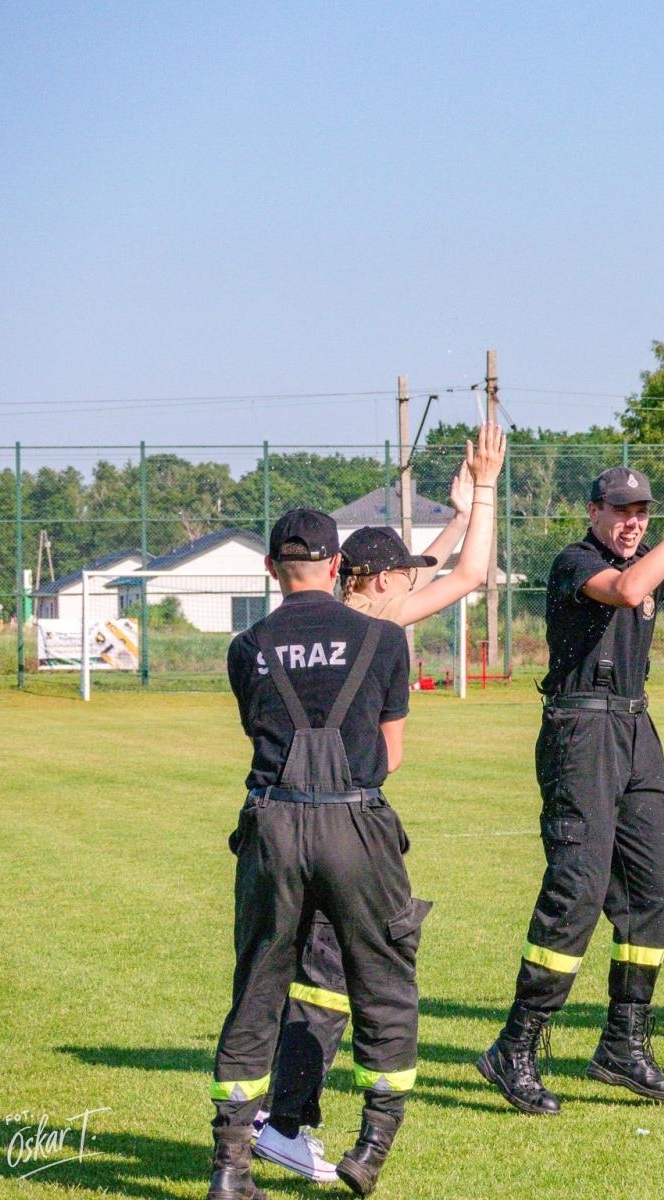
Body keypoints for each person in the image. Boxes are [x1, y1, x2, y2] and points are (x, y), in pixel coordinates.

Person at [252, 425, 506, 1183]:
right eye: (405, 576)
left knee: (313, 970)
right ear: (373, 579)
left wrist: (457, 514)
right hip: (348, 819)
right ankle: (288, 1119)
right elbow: (470, 576)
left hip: (295, 817)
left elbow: (440, 563)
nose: (416, 586)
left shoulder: (344, 611)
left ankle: (284, 1115)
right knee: (351, 972)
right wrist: (485, 493)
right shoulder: (375, 625)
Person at [478, 455, 664, 1114]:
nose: (634, 522)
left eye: (642, 512)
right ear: (594, 513)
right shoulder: (576, 564)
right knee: (576, 892)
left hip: (636, 731)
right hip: (581, 731)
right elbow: (631, 589)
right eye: (622, 512)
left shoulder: (647, 559)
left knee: (657, 892)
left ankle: (622, 1044)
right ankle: (514, 1047)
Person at [212, 508, 424, 1200]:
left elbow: (258, 729)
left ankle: (231, 1169)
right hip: (356, 824)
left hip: (274, 825)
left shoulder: (248, 647)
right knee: (382, 982)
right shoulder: (384, 639)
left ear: (272, 569)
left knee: (258, 988)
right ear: (337, 567)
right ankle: (371, 1148)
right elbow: (389, 753)